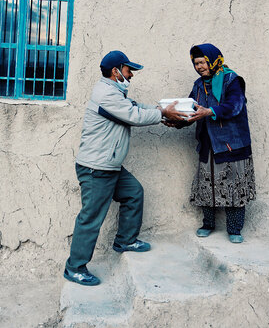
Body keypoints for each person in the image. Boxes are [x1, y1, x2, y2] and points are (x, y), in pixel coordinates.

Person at [64, 50, 185, 286]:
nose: (132, 74)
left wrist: (164, 113)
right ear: (115, 71)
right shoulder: (105, 94)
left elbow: (136, 107)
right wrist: (162, 113)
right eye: (129, 70)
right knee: (90, 218)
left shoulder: (115, 93)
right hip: (96, 168)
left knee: (133, 193)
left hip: (109, 166)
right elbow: (134, 115)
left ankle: (125, 241)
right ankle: (75, 268)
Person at [166, 44, 255, 244]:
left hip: (231, 144)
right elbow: (190, 109)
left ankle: (234, 229)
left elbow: (235, 106)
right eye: (195, 63)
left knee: (233, 185)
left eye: (202, 62)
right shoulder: (198, 85)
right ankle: (208, 224)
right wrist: (178, 121)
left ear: (213, 60)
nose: (199, 67)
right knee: (208, 184)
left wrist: (211, 111)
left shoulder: (231, 80)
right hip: (208, 143)